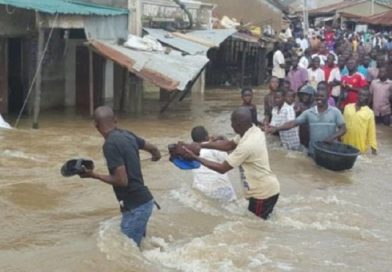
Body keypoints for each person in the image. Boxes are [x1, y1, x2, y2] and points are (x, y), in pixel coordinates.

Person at [79, 106, 161, 247]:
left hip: (136, 207)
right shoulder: (127, 134)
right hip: (140, 203)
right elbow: (153, 149)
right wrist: (156, 156)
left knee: (127, 251)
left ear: (96, 126)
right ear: (115, 120)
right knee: (136, 251)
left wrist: (94, 175)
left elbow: (121, 181)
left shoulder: (110, 145)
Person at [183, 107, 280, 220]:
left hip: (261, 194)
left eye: (232, 122)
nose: (231, 125)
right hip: (266, 189)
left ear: (240, 124)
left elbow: (222, 168)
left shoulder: (247, 145)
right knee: (258, 223)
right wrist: (202, 145)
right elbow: (228, 145)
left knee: (255, 228)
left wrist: (195, 157)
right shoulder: (252, 131)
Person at [268, 88, 346, 157]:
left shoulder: (336, 112)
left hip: (330, 150)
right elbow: (292, 123)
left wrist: (332, 137)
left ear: (328, 97)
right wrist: (276, 129)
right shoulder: (308, 112)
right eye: (317, 96)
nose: (319, 98)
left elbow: (343, 129)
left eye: (322, 96)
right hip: (313, 151)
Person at [190, 126, 237, 202]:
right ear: (206, 137)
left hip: (201, 188)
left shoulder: (191, 151)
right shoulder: (215, 148)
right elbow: (231, 160)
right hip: (221, 188)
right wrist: (224, 140)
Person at [342, 90, 377, 155]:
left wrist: (373, 149)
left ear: (367, 98)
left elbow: (371, 132)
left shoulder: (369, 113)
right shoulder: (347, 107)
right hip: (346, 145)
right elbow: (342, 125)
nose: (361, 97)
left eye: (364, 95)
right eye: (360, 94)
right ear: (357, 95)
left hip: (360, 147)